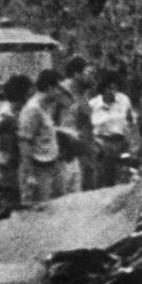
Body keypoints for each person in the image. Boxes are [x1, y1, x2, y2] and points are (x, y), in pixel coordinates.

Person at [0, 74, 32, 219]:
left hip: (19, 174)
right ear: (21, 96)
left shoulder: (24, 113)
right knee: (8, 215)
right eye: (29, 93)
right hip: (8, 176)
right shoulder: (4, 117)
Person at [17, 69, 63, 205]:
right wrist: (30, 174)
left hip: (50, 165)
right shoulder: (33, 109)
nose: (60, 92)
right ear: (50, 87)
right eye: (58, 88)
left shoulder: (47, 106)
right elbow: (25, 142)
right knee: (41, 212)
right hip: (38, 169)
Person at [89, 68, 135, 187]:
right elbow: (90, 127)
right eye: (109, 88)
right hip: (103, 145)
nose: (113, 91)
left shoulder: (124, 100)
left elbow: (131, 120)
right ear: (103, 89)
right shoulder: (93, 104)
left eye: (115, 88)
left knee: (126, 176)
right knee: (105, 178)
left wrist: (131, 139)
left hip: (122, 143)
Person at [57, 55, 96, 192]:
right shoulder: (62, 93)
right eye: (89, 73)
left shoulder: (82, 92)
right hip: (68, 157)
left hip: (82, 153)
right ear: (76, 73)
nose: (93, 78)